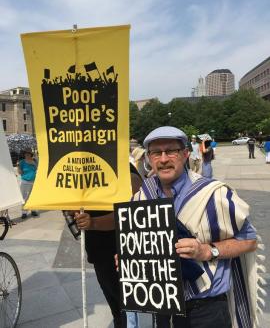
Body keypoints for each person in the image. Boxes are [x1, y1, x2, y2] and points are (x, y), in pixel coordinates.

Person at [130, 126, 259, 328]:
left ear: (185, 154)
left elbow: (250, 241)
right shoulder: (142, 196)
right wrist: (130, 255)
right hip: (162, 305)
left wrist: (207, 250)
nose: (163, 159)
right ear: (148, 158)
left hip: (206, 309)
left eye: (171, 151)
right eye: (156, 152)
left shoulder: (214, 194)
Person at [74, 164, 142, 328]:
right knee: (117, 308)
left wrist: (93, 223)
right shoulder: (83, 169)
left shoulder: (125, 169)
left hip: (121, 252)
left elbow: (132, 212)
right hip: (98, 251)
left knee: (126, 309)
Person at [17, 148, 38, 218]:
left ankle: (33, 210)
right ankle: (24, 212)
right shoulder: (22, 162)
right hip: (25, 181)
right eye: (26, 154)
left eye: (29, 154)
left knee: (33, 196)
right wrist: (19, 168)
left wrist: (34, 163)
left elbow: (38, 168)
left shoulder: (34, 161)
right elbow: (19, 172)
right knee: (24, 197)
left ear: (31, 154)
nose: (27, 155)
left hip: (33, 181)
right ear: (24, 155)